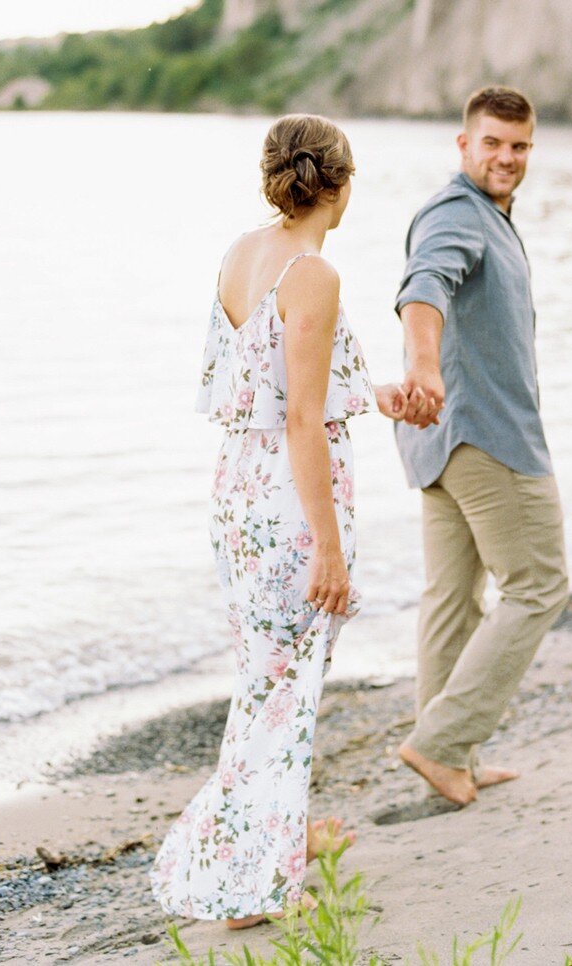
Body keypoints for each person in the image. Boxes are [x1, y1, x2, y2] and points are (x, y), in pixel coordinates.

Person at [151, 113, 408, 928]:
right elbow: (300, 417)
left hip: (238, 491)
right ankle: (246, 880)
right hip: (291, 502)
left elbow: (260, 384)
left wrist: (383, 396)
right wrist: (328, 550)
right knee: (283, 686)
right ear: (341, 182)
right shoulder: (314, 276)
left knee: (267, 678)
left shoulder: (241, 254)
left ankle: (268, 850)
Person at [393, 85, 569, 807]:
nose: (506, 157)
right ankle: (439, 743)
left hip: (441, 436)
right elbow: (424, 285)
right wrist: (424, 365)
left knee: (452, 600)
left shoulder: (490, 216)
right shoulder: (457, 214)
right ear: (462, 145)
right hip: (483, 436)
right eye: (492, 142)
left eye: (519, 145)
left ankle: (450, 760)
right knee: (539, 585)